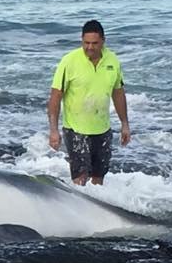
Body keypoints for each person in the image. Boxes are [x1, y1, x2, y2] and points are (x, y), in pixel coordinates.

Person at [47, 19, 131, 186]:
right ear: (81, 40)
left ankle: (96, 210)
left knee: (99, 177)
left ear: (103, 41)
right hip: (76, 129)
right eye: (86, 43)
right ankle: (76, 210)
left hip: (102, 128)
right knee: (80, 178)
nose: (90, 47)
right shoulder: (69, 61)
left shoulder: (112, 60)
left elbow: (118, 93)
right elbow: (55, 98)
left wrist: (125, 124)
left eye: (94, 43)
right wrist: (54, 130)